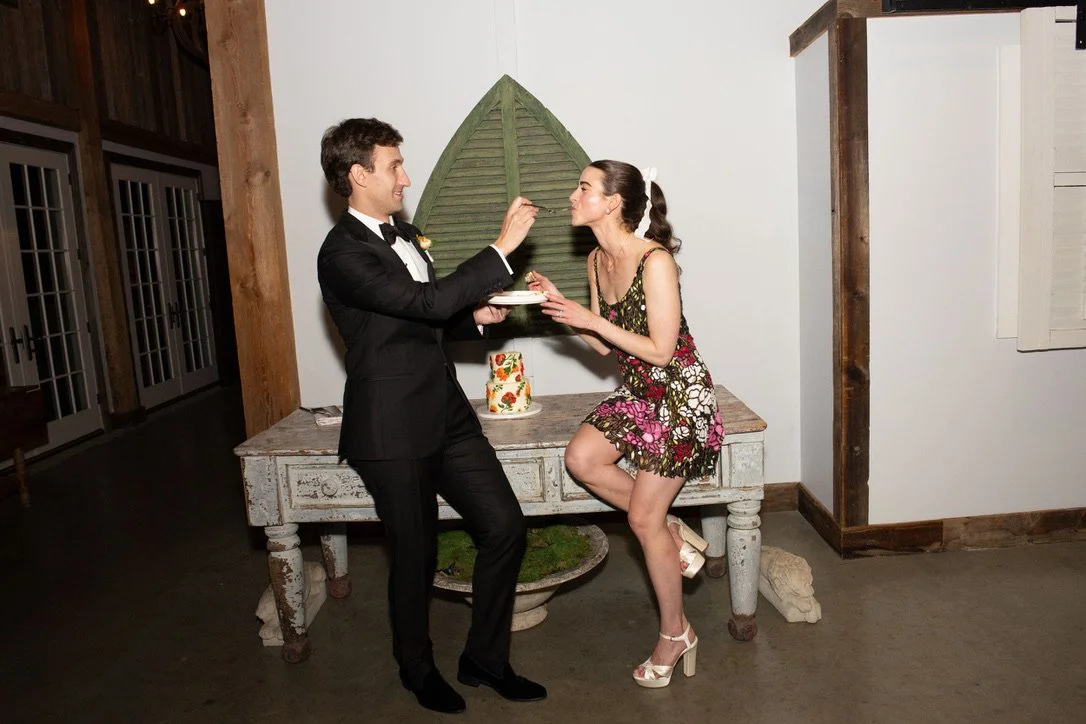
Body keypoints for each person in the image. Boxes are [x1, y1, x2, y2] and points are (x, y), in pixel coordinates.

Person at [317, 117, 547, 714]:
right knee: (414, 555)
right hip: (391, 428)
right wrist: (501, 249)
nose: (405, 177)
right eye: (394, 166)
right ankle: (416, 669)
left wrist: (474, 322)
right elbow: (423, 301)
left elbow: (425, 319)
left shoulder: (407, 233)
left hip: (446, 413)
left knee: (504, 526)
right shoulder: (341, 253)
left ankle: (484, 659)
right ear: (358, 174)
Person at [527, 160, 725, 689]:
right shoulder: (596, 258)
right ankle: (673, 530)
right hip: (639, 392)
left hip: (681, 396)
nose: (573, 195)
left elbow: (662, 351)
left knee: (641, 521)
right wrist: (563, 308)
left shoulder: (653, 261)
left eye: (584, 188)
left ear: (613, 203)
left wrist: (592, 321)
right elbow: (602, 342)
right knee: (581, 459)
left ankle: (675, 632)